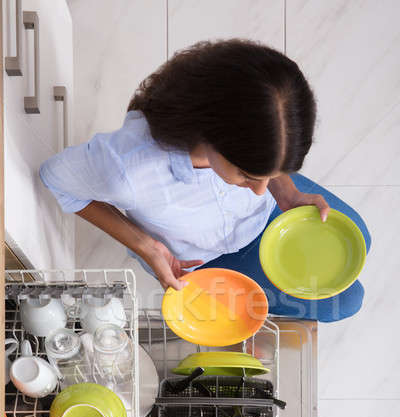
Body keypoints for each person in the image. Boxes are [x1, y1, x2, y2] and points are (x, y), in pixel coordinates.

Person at [39, 39, 370, 322]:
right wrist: (146, 245)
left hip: (268, 216)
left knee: (360, 239)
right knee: (346, 301)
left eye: (268, 174)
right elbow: (56, 179)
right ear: (210, 134)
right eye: (248, 175)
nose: (259, 190)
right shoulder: (126, 168)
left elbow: (267, 169)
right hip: (208, 255)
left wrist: (287, 191)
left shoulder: (251, 123)